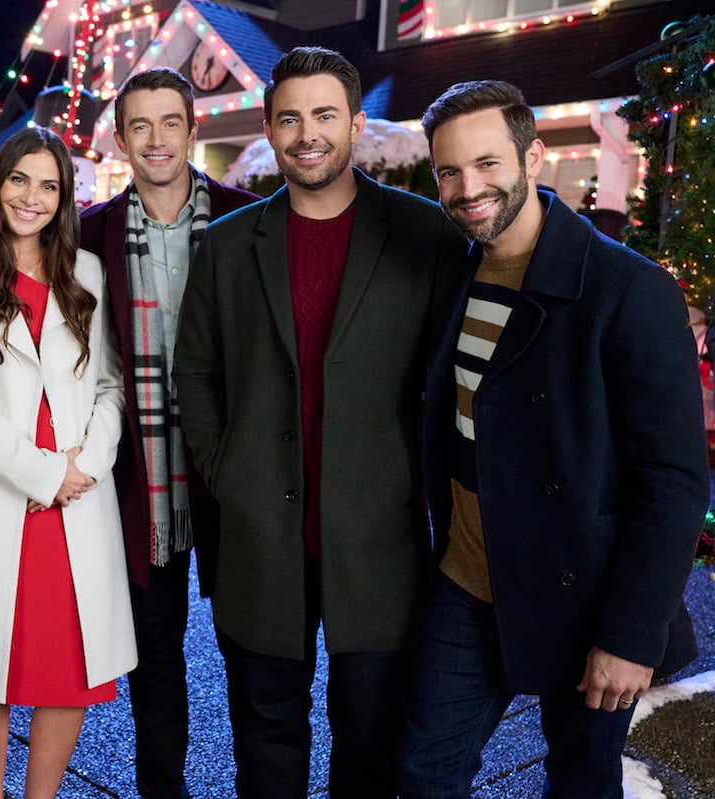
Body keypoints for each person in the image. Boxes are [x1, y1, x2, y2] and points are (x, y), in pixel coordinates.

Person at [397, 79, 709, 799]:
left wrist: (633, 634)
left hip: (584, 593)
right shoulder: (459, 270)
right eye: (449, 170)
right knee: (422, 772)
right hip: (469, 579)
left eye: (487, 163)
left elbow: (674, 479)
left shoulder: (628, 289)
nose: (467, 187)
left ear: (532, 155)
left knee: (580, 778)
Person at [170, 46, 469, 798]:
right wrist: (225, 470)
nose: (308, 133)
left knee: (370, 741)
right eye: (291, 117)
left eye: (325, 115)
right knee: (266, 736)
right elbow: (196, 372)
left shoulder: (423, 233)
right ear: (270, 128)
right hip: (262, 536)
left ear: (356, 124)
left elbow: (453, 376)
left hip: (380, 537)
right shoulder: (229, 246)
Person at [0, 126, 136, 799]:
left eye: (49, 185)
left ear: (65, 197)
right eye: (20, 179)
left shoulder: (88, 273)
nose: (32, 196)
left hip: (76, 498)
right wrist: (44, 471)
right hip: (2, 490)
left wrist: (85, 466)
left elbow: (110, 384)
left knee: (70, 663)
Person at [78, 66, 257, 799]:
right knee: (154, 660)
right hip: (139, 480)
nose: (156, 139)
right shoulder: (87, 232)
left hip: (234, 477)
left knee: (255, 662)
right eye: (139, 126)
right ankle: (163, 790)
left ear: (193, 128)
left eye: (170, 123)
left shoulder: (253, 220)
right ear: (121, 138)